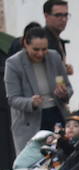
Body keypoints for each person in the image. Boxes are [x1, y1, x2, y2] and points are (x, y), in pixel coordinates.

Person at [5, 26, 72, 156]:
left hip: (56, 115)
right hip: (30, 122)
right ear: (25, 44)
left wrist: (64, 93)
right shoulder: (13, 64)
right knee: (35, 162)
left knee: (63, 158)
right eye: (35, 49)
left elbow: (68, 87)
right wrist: (31, 102)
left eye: (44, 49)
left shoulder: (54, 57)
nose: (40, 54)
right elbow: (12, 99)